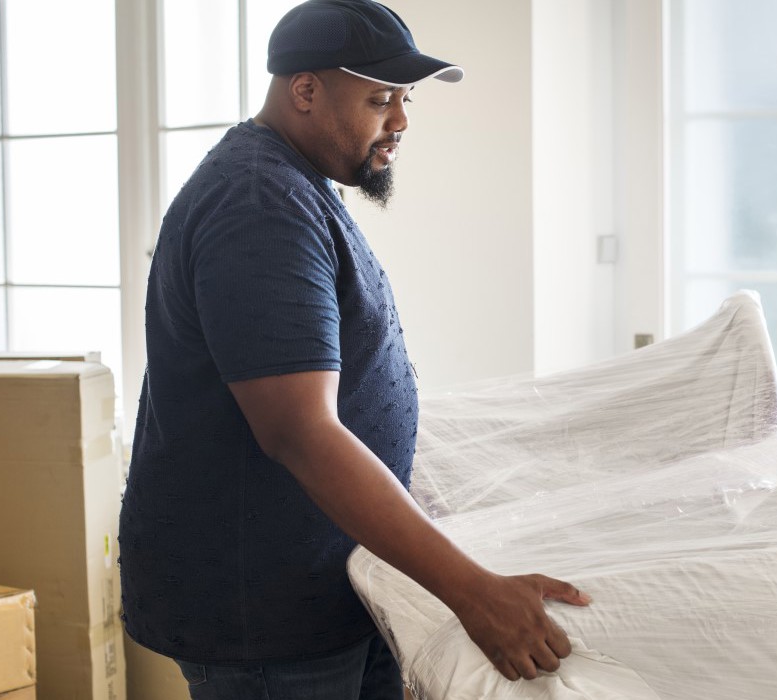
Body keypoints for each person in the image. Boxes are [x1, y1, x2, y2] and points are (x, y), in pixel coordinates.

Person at [118, 1, 589, 697]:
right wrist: (473, 591)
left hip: (335, 583)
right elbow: (301, 432)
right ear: (304, 90)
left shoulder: (295, 183)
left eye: (404, 98)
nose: (400, 120)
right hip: (267, 610)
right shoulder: (258, 203)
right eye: (379, 99)